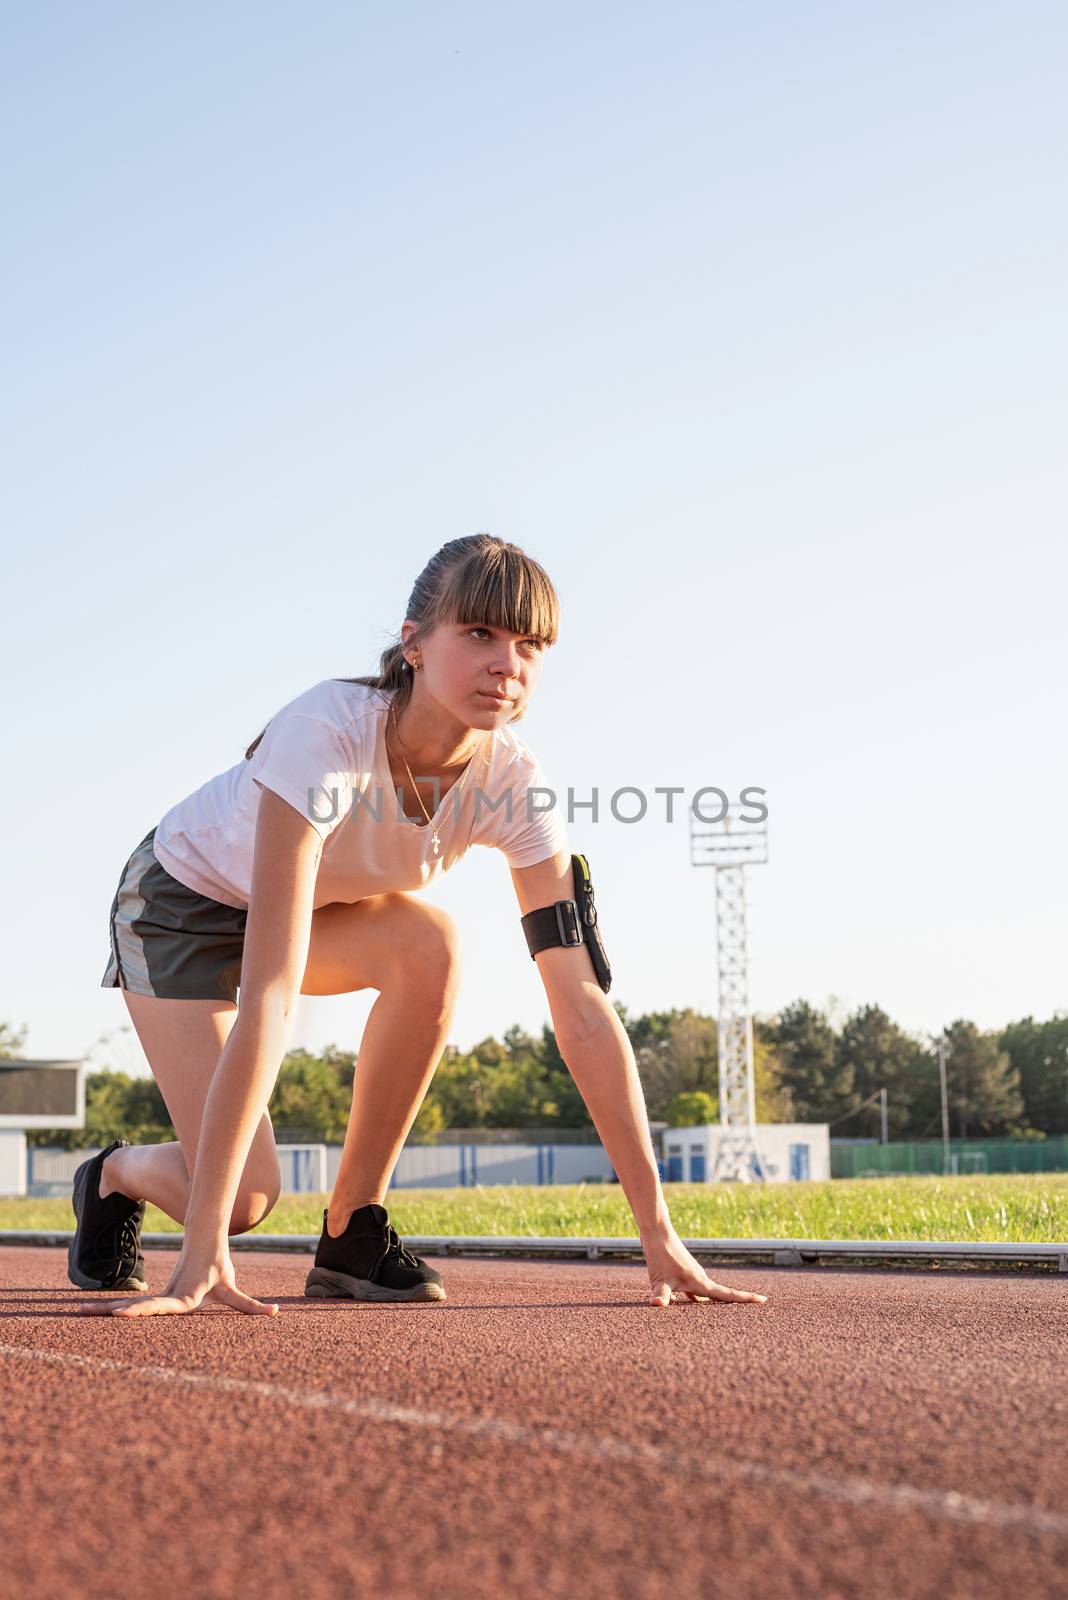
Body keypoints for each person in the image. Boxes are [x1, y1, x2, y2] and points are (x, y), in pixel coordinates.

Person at [76, 533, 768, 1318]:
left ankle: (352, 1232)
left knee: (432, 946)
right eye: (479, 634)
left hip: (314, 914)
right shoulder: (324, 737)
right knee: (241, 1200)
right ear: (414, 644)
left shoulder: (516, 786)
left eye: (530, 644)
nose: (507, 662)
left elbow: (580, 1007)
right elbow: (271, 996)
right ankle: (115, 1174)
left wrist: (659, 1235)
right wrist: (205, 1252)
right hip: (179, 909)